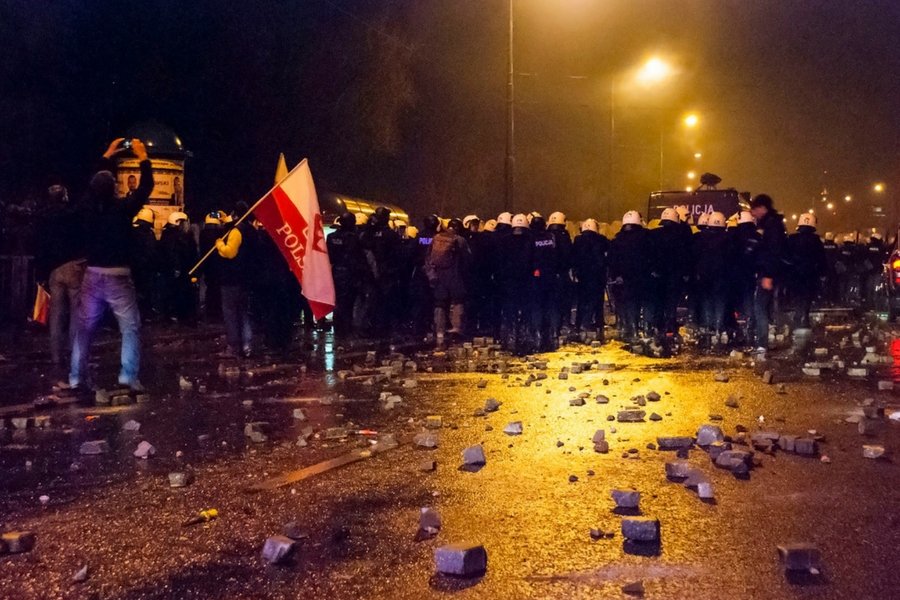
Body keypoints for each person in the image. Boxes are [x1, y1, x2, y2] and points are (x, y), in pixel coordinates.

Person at [69, 138, 154, 392]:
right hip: (119, 275)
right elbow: (146, 188)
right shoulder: (122, 209)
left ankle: (76, 377)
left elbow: (91, 186)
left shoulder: (87, 208)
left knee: (84, 328)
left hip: (93, 273)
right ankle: (128, 377)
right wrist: (143, 157)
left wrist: (106, 155)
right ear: (115, 188)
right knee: (130, 327)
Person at [35, 184, 86, 369]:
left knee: (56, 315)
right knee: (75, 313)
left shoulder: (43, 218)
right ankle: (74, 354)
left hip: (53, 270)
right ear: (64, 196)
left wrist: (41, 273)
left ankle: (56, 356)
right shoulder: (72, 216)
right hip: (72, 266)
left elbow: (40, 246)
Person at [749, 194, 786, 355]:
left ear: (763, 208)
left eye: (755, 209)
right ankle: (765, 341)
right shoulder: (772, 223)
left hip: (768, 273)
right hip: (769, 272)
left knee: (760, 307)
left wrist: (768, 275)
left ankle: (762, 344)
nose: (753, 213)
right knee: (766, 306)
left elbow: (772, 252)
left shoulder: (771, 225)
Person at [215, 205, 255, 357]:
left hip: (232, 279)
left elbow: (230, 252)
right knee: (244, 313)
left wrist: (219, 244)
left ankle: (233, 346)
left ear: (236, 214)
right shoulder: (251, 230)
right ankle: (247, 346)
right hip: (246, 278)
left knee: (230, 313)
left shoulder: (236, 231)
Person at [648, 207, 692, 340]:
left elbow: (649, 255)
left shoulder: (654, 234)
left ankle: (657, 326)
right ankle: (670, 326)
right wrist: (685, 273)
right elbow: (686, 255)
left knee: (659, 301)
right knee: (671, 303)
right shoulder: (682, 235)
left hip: (658, 275)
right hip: (675, 275)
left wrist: (653, 269)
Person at [608, 211, 651, 342]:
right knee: (645, 303)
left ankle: (628, 329)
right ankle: (646, 329)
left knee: (626, 303)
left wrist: (616, 275)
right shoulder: (646, 237)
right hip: (642, 277)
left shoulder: (617, 240)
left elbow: (612, 260)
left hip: (622, 280)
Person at [425, 217, 470, 342]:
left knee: (440, 303)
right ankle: (456, 329)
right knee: (458, 301)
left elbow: (428, 259)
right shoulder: (460, 240)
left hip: (439, 276)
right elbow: (467, 259)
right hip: (455, 275)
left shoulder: (436, 238)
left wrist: (431, 275)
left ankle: (439, 331)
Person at [497, 213, 534, 353]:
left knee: (509, 311)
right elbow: (534, 260)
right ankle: (524, 340)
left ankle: (509, 340)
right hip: (526, 281)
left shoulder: (504, 240)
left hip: (508, 281)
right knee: (525, 311)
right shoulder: (530, 240)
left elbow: (500, 261)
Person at [327, 212, 367, 339]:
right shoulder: (355, 238)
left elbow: (329, 256)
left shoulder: (331, 237)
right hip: (350, 274)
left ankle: (338, 329)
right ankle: (346, 330)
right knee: (348, 303)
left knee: (338, 302)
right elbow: (361, 258)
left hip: (336, 273)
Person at [786, 213, 826, 335]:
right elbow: (821, 259)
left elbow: (786, 257)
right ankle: (804, 318)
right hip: (810, 275)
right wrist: (823, 273)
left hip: (794, 274)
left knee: (797, 297)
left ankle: (798, 317)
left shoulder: (792, 239)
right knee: (806, 297)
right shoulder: (816, 240)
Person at [692, 211, 731, 340]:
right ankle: (719, 327)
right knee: (720, 302)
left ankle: (709, 326)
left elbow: (694, 256)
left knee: (707, 301)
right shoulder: (728, 238)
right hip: (722, 276)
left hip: (704, 276)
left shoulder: (700, 237)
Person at [571, 218, 608, 339]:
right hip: (598, 275)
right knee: (597, 301)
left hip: (583, 275)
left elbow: (574, 256)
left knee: (582, 300)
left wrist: (575, 270)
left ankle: (579, 324)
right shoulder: (601, 239)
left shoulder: (578, 240)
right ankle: (598, 324)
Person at [159, 211, 198, 324]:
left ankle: (179, 315)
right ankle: (177, 315)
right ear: (178, 222)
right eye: (184, 222)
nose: (187, 225)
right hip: (178, 271)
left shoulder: (176, 235)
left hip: (179, 270)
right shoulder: (175, 237)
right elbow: (173, 253)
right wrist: (177, 268)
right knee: (177, 293)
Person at [529, 214, 561, 351]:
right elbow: (557, 255)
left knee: (537, 306)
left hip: (536, 277)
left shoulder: (530, 238)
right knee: (551, 306)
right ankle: (553, 334)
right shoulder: (551, 237)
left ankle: (537, 335)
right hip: (551, 276)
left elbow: (529, 257)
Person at [130, 207, 160, 320]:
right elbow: (151, 251)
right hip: (145, 268)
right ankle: (145, 314)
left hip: (134, 267)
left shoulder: (133, 232)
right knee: (145, 292)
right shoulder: (147, 234)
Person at [547, 211, 574, 334]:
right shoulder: (564, 236)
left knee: (551, 302)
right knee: (564, 299)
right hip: (562, 273)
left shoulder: (545, 235)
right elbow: (568, 254)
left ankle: (552, 327)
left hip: (547, 274)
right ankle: (564, 324)